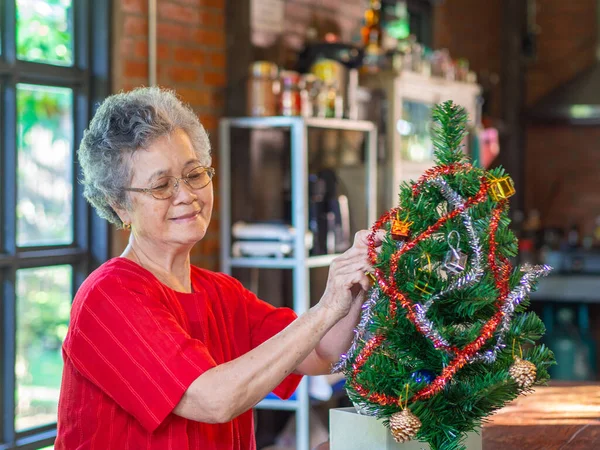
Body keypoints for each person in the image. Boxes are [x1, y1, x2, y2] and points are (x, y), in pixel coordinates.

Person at [55, 87, 381, 449]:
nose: (186, 195)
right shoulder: (110, 296)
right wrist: (324, 309)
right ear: (120, 207)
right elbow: (213, 400)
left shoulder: (221, 293)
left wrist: (354, 286)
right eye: (162, 185)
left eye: (194, 174)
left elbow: (321, 355)